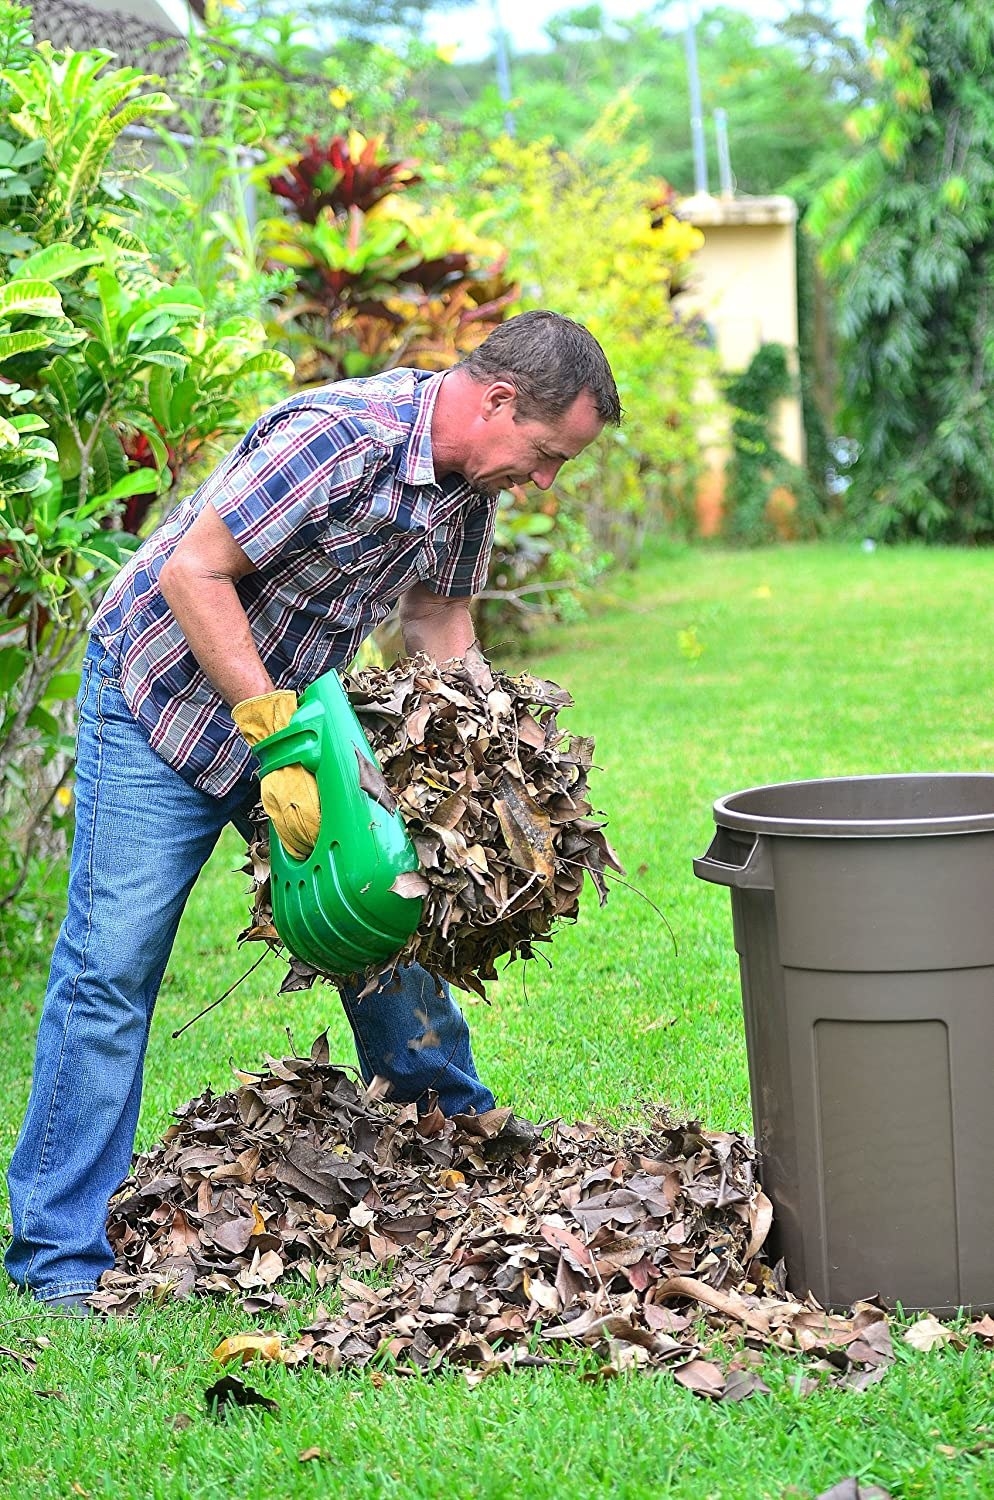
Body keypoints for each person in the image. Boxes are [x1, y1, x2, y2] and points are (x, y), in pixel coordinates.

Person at [5, 310, 622, 1311]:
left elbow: (437, 615)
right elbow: (191, 572)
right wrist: (276, 738)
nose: (542, 480)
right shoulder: (340, 438)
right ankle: (57, 1257)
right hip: (161, 696)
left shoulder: (465, 485)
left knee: (389, 899)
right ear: (500, 400)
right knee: (110, 966)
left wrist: (488, 746)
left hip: (294, 712)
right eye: (545, 455)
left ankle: (451, 1137)